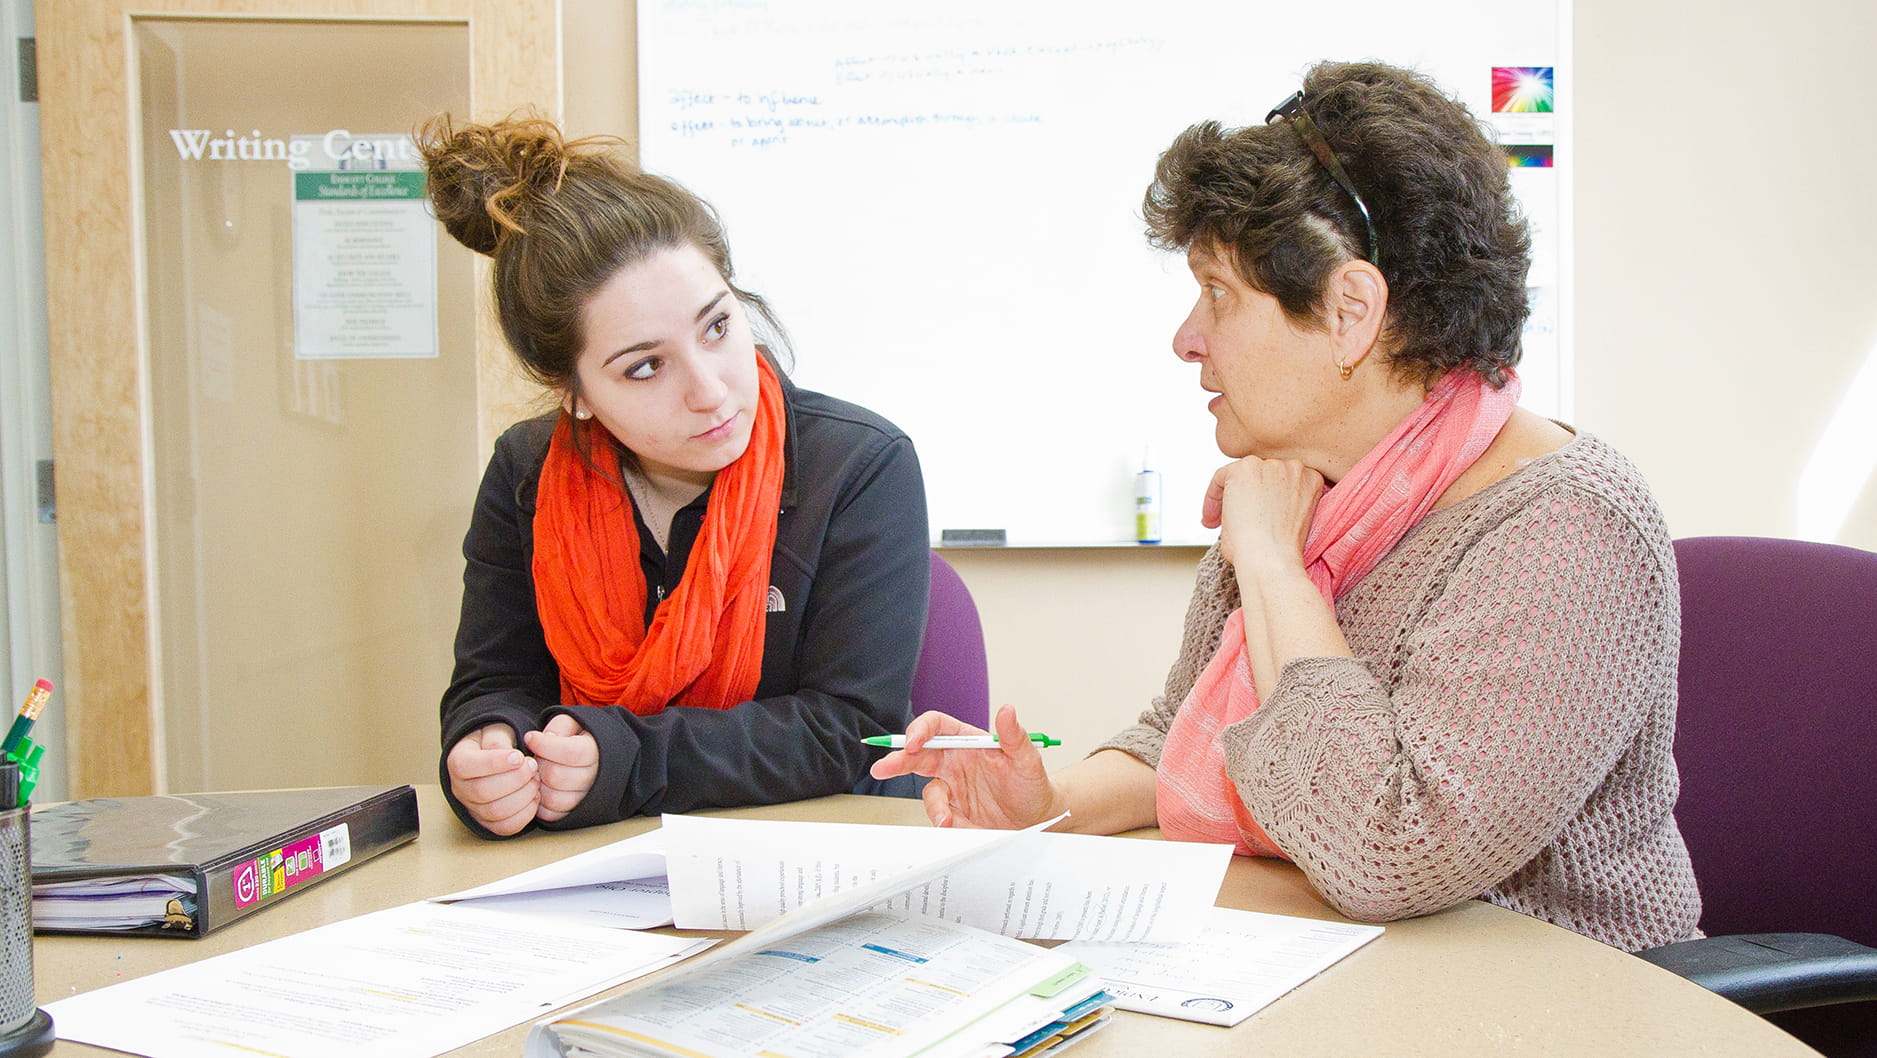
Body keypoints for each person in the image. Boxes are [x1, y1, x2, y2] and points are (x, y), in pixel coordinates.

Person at [873, 61, 1701, 951]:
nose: (1187, 339)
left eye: (1218, 294)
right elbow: (1187, 735)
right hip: (1334, 969)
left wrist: (1272, 565)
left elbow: (1387, 852)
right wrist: (1050, 807)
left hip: (1549, 1005)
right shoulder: (1305, 479)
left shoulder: (1568, 529)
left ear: (1350, 311)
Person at [421, 114, 929, 838]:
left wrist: (626, 759)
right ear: (573, 393)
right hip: (592, 864)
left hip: (819, 852)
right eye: (646, 366)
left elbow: (846, 729)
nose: (712, 390)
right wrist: (486, 747)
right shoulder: (525, 474)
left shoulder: (859, 464)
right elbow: (496, 681)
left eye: (717, 327)